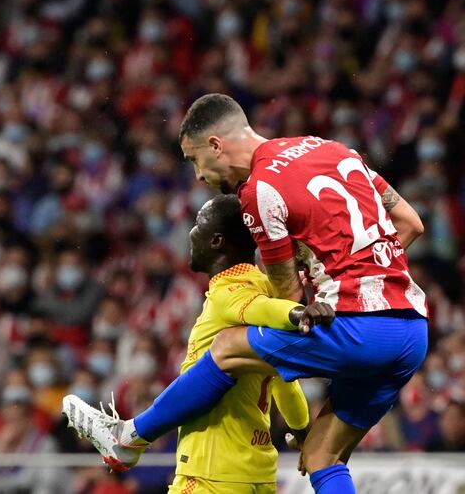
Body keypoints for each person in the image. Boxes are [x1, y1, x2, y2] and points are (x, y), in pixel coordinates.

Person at [64, 93, 428, 494]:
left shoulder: (259, 190)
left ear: (216, 146)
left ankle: (130, 437)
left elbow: (287, 295)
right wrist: (361, 275)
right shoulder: (333, 149)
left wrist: (336, 290)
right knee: (322, 455)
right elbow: (409, 222)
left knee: (227, 345)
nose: (199, 176)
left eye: (194, 160)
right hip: (412, 332)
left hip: (361, 329)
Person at [66, 196, 311, 493]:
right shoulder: (262, 291)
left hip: (210, 471)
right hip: (258, 473)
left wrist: (298, 313)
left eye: (198, 225)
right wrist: (301, 432)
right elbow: (287, 384)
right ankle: (130, 436)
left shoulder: (232, 292)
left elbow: (258, 308)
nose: (191, 233)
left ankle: (129, 437)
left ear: (217, 241)